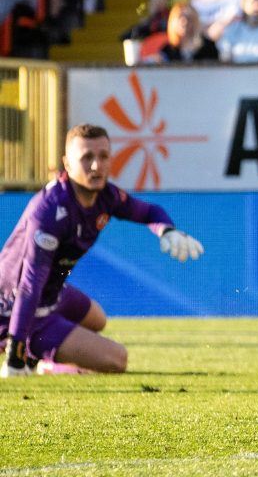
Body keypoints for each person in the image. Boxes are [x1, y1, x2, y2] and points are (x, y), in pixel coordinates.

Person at [1, 124, 203, 378]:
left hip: (49, 296)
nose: (96, 166)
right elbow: (29, 285)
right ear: (67, 163)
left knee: (97, 319)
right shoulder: (51, 211)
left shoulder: (106, 196)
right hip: (14, 307)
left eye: (103, 156)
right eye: (87, 158)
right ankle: (33, 356)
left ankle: (44, 355)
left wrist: (167, 230)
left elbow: (149, 212)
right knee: (117, 359)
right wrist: (14, 353)